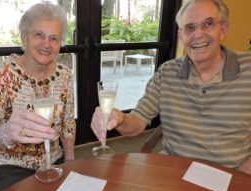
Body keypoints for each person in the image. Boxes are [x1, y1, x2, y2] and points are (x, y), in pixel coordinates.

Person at [91, 0, 251, 175]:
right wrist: (120, 118)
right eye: (189, 27)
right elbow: (137, 123)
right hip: (174, 171)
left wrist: (242, 176)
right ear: (180, 36)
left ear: (223, 29)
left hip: (230, 174)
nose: (198, 34)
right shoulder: (167, 72)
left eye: (208, 23)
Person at [0, 3, 75, 191]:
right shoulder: (4, 72)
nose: (47, 44)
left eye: (54, 38)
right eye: (39, 35)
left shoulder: (65, 75)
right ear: (24, 37)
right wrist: (7, 132)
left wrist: (69, 160)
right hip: (7, 165)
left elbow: (68, 121)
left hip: (52, 161)